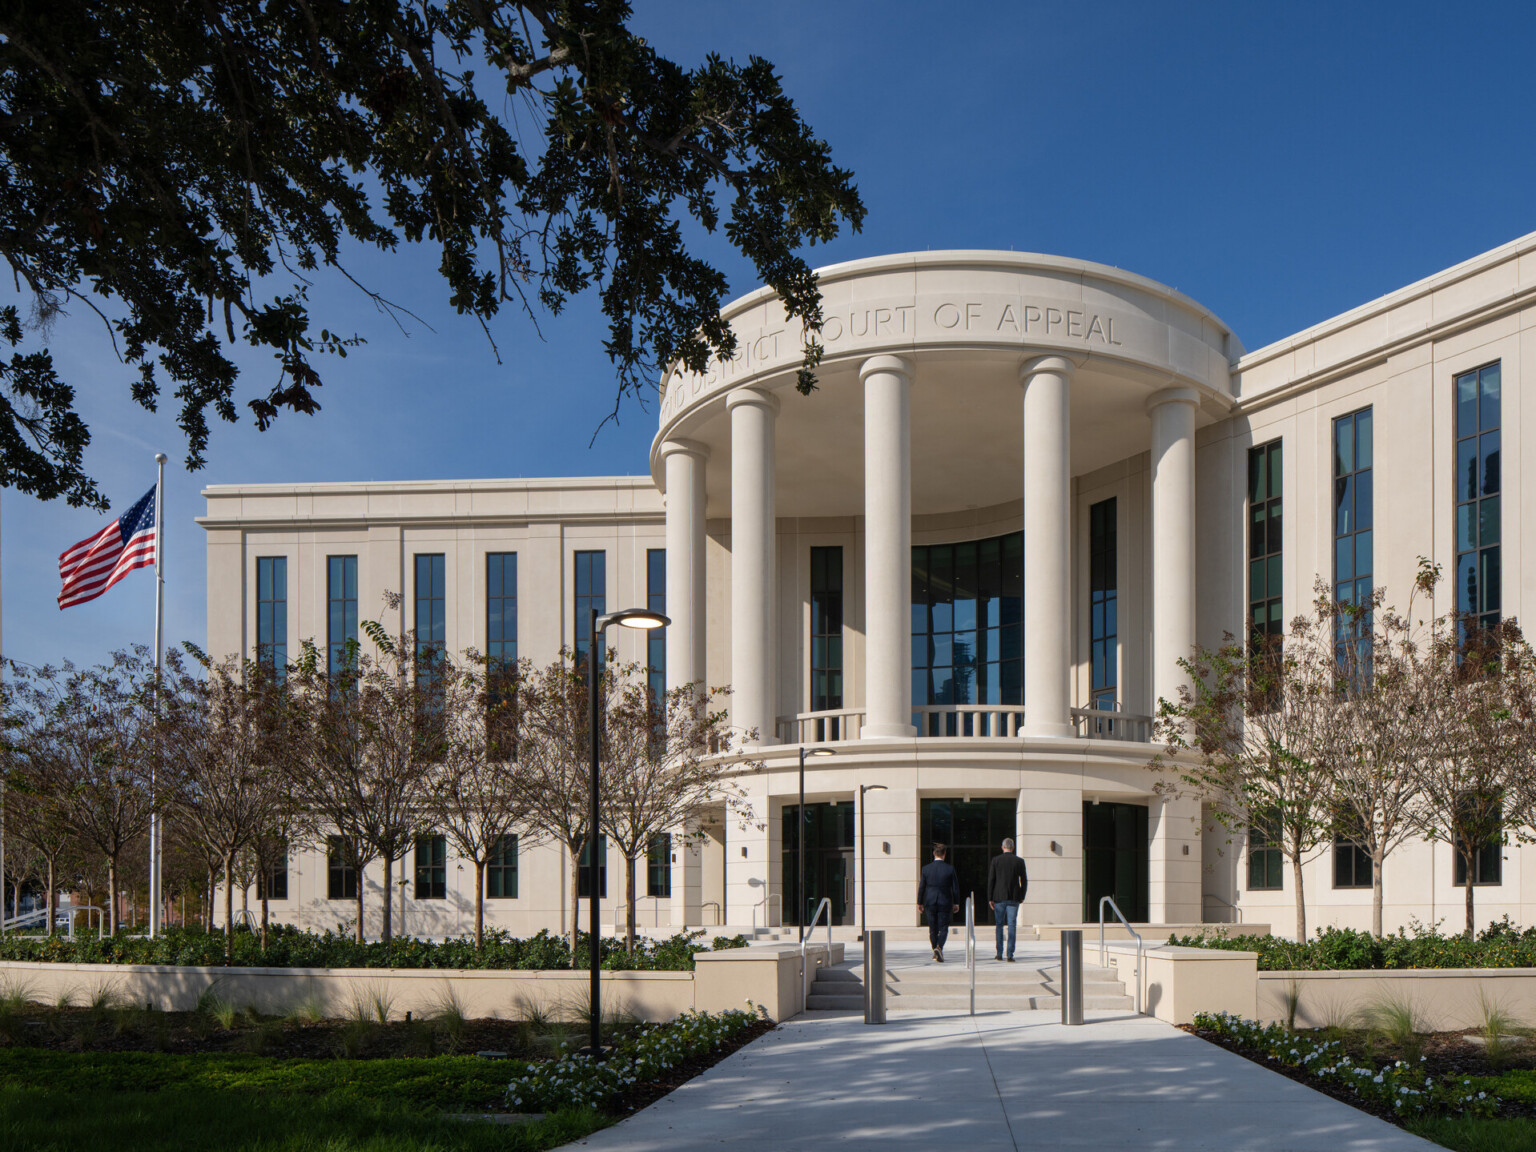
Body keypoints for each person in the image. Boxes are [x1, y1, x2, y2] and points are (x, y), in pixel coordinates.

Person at [916, 842, 960, 962]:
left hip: (930, 901)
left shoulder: (926, 869)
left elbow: (922, 887)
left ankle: (935, 949)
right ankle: (939, 947)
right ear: (944, 854)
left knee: (932, 928)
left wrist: (919, 902)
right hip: (945, 901)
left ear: (934, 853)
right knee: (944, 927)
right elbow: (955, 887)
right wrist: (956, 902)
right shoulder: (950, 869)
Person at [987, 837, 1028, 961]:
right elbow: (1024, 880)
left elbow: (991, 880)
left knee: (999, 925)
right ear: (1013, 848)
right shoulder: (1019, 861)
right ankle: (1010, 954)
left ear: (1002, 847)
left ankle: (999, 953)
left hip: (999, 897)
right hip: (1014, 897)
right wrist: (1022, 895)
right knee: (1012, 925)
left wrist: (990, 897)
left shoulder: (996, 860)